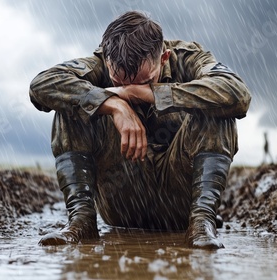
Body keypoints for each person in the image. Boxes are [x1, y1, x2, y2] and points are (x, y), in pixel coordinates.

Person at [29, 11, 251, 249]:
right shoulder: (99, 63)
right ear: (107, 60)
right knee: (72, 103)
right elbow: (42, 85)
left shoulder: (189, 58)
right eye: (119, 83)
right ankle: (81, 222)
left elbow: (237, 93)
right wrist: (113, 104)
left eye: (144, 81)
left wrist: (153, 94)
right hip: (121, 201)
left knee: (218, 107)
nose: (127, 90)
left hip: (179, 203)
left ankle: (202, 221)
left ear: (164, 57)